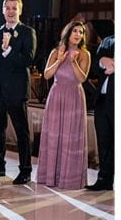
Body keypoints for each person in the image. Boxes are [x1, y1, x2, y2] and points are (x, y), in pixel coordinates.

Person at [0, 0, 37, 184]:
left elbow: (28, 60)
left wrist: (8, 49)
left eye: (14, 8)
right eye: (8, 8)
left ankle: (25, 170)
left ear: (20, 10)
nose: (11, 11)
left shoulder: (28, 32)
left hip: (17, 89)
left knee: (22, 132)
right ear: (3, 10)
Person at [37, 21, 91, 189]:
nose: (78, 34)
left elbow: (82, 78)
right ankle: (50, 176)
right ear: (68, 32)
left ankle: (70, 179)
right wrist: (59, 60)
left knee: (71, 136)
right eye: (75, 31)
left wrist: (73, 61)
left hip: (74, 96)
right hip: (56, 95)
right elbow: (46, 75)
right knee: (54, 134)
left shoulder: (84, 54)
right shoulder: (56, 51)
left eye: (81, 32)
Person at [87, 34, 114, 191]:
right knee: (104, 142)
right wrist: (102, 62)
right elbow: (94, 68)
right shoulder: (107, 40)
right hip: (102, 101)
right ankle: (104, 179)